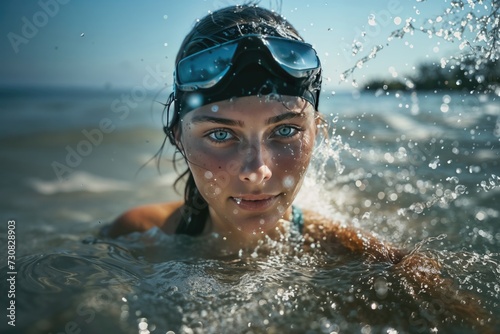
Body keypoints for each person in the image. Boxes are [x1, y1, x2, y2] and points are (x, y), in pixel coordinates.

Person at [105, 5, 494, 331]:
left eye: (285, 130)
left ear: (317, 131)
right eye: (221, 135)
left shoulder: (369, 267)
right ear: (178, 136)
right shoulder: (133, 239)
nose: (257, 171)